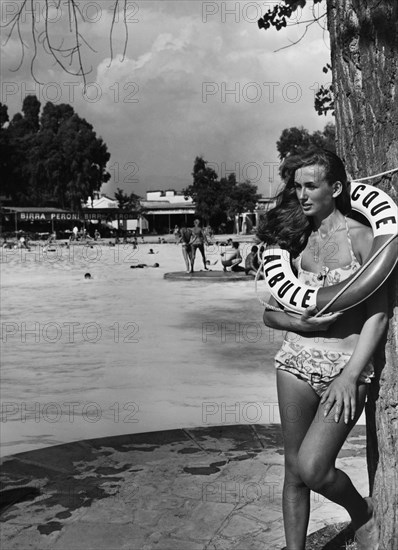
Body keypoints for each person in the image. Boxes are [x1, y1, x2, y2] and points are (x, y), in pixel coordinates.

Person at [259, 149, 387, 550]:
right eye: (297, 186)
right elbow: (269, 315)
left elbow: (378, 317)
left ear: (335, 188)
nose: (301, 194)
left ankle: (361, 512)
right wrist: (295, 322)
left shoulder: (364, 238)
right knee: (293, 473)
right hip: (295, 362)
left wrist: (351, 375)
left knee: (314, 468)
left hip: (343, 367)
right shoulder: (295, 241)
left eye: (310, 185)